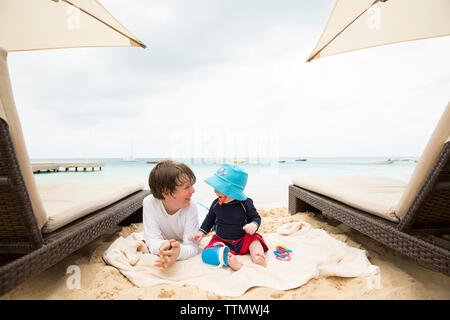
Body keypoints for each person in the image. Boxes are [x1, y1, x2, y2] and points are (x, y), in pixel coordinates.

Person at [189, 163, 268, 271]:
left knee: (254, 239)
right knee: (207, 253)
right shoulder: (216, 204)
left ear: (231, 190)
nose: (215, 191)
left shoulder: (245, 203)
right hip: (222, 240)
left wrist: (253, 224)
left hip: (242, 239)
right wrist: (201, 232)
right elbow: (209, 219)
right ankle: (229, 259)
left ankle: (258, 257)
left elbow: (256, 217)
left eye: (218, 188)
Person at [143, 160, 199, 269]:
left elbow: (192, 247)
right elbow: (152, 240)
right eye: (187, 187)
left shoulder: (191, 207)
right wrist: (164, 248)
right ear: (166, 192)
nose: (193, 191)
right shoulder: (149, 203)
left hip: (202, 213)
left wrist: (178, 252)